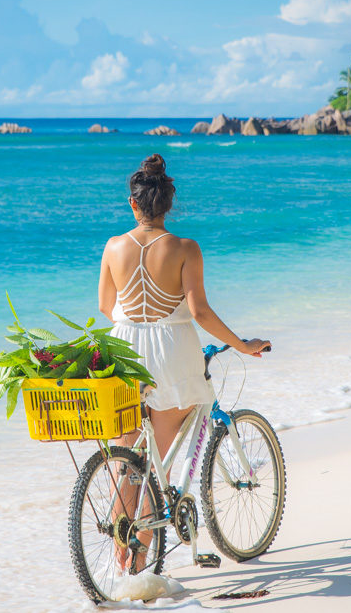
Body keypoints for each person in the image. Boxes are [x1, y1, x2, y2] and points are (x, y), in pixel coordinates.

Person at [97, 153, 270, 572]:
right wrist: (243, 345)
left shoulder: (113, 246)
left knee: (129, 459)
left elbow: (106, 306)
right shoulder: (186, 248)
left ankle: (122, 563)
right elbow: (200, 313)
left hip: (122, 352)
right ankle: (139, 564)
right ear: (168, 205)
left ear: (132, 204)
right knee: (159, 461)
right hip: (171, 354)